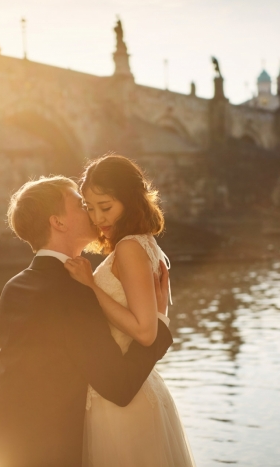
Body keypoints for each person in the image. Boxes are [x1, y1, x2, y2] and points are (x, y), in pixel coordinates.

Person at [0, 175, 174, 467]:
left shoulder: (14, 287)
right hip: (60, 454)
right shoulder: (74, 293)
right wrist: (160, 322)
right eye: (80, 203)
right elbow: (119, 386)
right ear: (58, 223)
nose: (90, 210)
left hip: (12, 450)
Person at [64, 155, 196, 467]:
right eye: (90, 207)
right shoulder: (141, 243)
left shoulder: (130, 248)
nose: (97, 217)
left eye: (106, 206)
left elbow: (145, 332)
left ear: (129, 199)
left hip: (124, 401)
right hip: (131, 387)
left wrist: (91, 287)